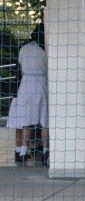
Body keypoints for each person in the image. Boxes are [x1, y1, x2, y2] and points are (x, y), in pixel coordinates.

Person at [7, 23, 49, 166]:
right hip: (41, 83)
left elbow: (21, 69)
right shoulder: (45, 50)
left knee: (26, 120)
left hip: (25, 84)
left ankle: (23, 152)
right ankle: (45, 152)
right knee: (44, 121)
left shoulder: (23, 48)